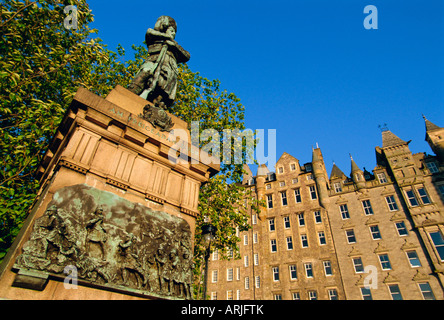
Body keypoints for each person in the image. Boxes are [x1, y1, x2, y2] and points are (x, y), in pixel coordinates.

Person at [128, 16, 190, 109]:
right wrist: (166, 37)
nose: (173, 34)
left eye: (174, 32)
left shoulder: (175, 46)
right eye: (171, 30)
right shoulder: (157, 37)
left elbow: (187, 56)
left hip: (169, 71)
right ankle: (127, 98)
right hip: (154, 63)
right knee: (144, 75)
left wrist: (174, 45)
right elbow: (149, 32)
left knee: (161, 95)